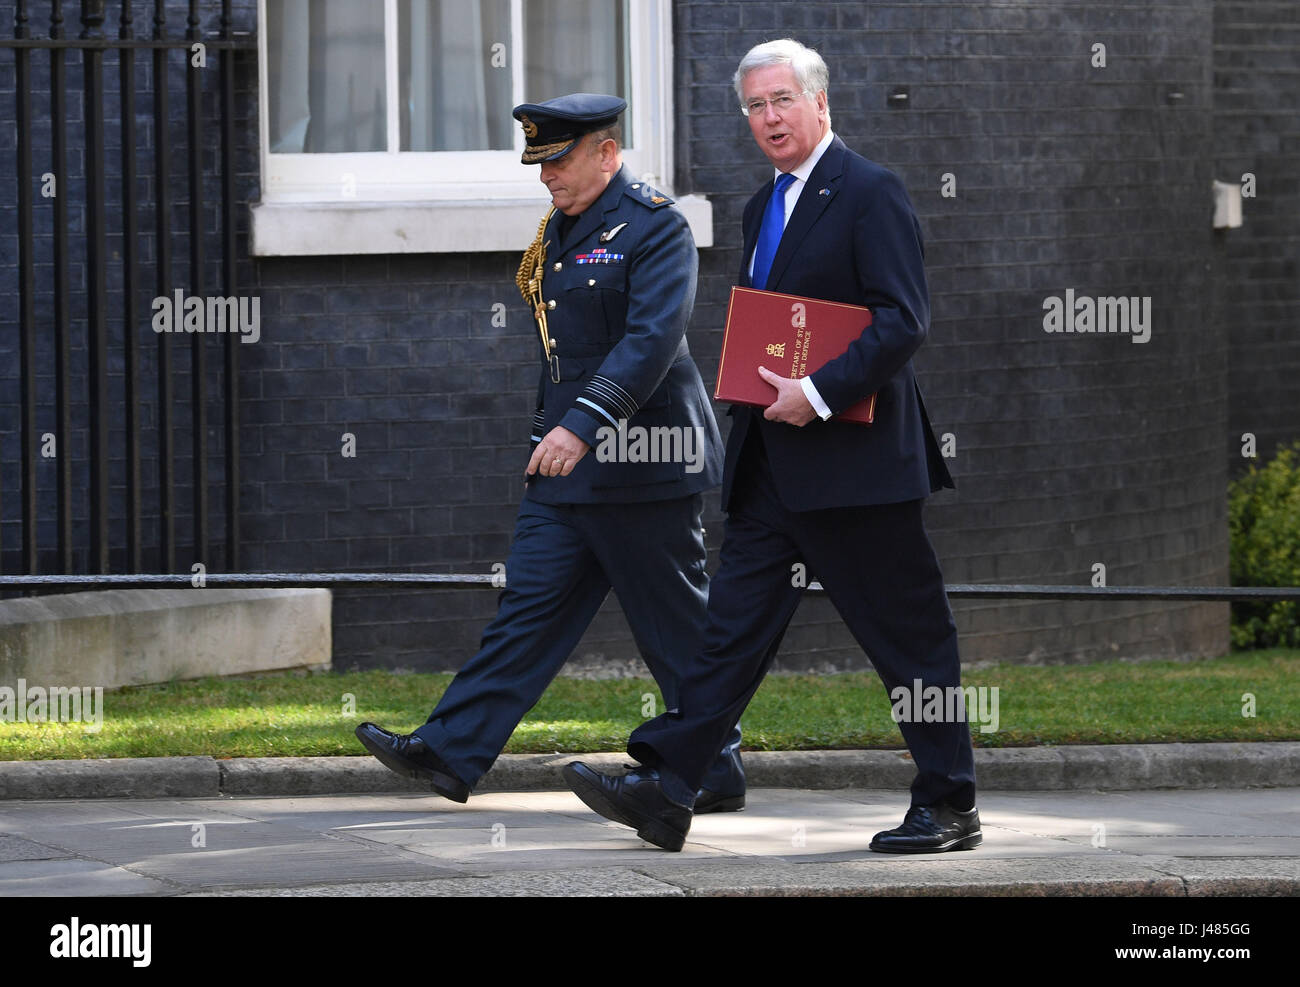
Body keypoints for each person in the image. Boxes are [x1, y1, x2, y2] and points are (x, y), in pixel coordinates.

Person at [563, 42, 980, 854]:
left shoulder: (870, 193)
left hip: (858, 472)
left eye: (782, 100)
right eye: (754, 107)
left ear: (821, 103)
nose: (769, 119)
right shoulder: (761, 208)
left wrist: (816, 392)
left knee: (909, 640)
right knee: (730, 633)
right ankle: (670, 784)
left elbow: (903, 321)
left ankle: (950, 802)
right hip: (771, 470)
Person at [355, 93, 745, 810]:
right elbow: (560, 348)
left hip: (643, 461)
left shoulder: (657, 226)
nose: (546, 176)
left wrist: (583, 423)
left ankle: (712, 765)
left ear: (607, 151)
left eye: (560, 160)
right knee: (527, 607)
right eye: (540, 162)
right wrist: (551, 429)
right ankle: (452, 744)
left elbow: (649, 341)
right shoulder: (561, 229)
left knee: (675, 630)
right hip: (568, 460)